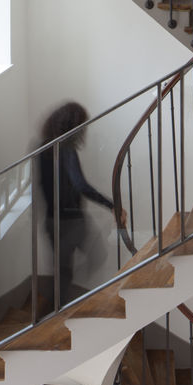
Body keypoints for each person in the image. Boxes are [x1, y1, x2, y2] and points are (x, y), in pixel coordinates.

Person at [39, 101, 114, 305]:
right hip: (71, 221)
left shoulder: (42, 148)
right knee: (98, 255)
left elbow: (42, 185)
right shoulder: (66, 150)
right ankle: (68, 308)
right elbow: (81, 185)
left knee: (63, 273)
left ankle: (53, 312)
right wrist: (112, 206)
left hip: (52, 221)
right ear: (73, 126)